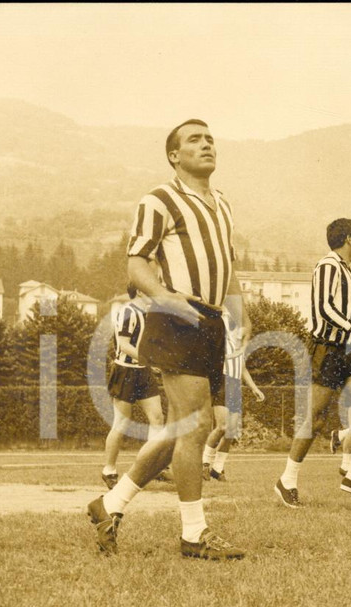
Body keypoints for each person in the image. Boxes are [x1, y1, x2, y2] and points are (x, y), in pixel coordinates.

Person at [86, 118, 247, 560]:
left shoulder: (222, 204)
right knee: (196, 425)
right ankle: (194, 534)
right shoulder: (159, 199)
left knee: (184, 428)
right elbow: (136, 265)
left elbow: (227, 269)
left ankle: (109, 505)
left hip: (211, 322)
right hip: (175, 318)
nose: (207, 143)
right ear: (174, 155)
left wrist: (241, 315)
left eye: (210, 137)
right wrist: (166, 299)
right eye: (194, 139)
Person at [275, 218, 351, 507]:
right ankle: (287, 480)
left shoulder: (346, 270)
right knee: (317, 418)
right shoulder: (328, 266)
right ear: (348, 239)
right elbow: (324, 308)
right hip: (326, 350)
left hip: (348, 350)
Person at [101, 286, 165, 489]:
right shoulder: (128, 312)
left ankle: (152, 467)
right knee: (121, 423)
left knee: (157, 418)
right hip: (125, 372)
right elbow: (125, 345)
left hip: (143, 371)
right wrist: (149, 358)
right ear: (138, 291)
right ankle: (109, 470)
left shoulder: (148, 314)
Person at [201, 307, 266, 482]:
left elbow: (243, 368)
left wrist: (254, 388)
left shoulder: (238, 343)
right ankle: (205, 463)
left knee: (231, 430)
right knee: (222, 426)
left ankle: (218, 468)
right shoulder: (219, 338)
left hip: (235, 383)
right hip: (222, 380)